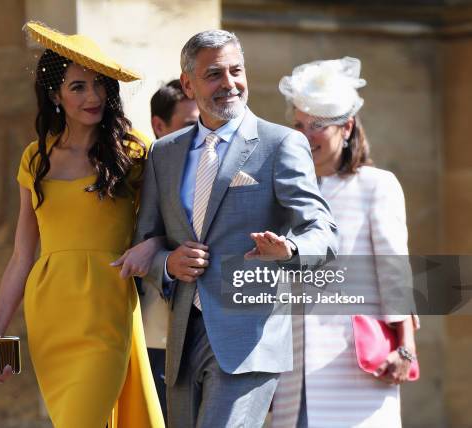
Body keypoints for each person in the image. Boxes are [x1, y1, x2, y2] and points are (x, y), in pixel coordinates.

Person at [134, 30, 338, 427]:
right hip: (180, 339)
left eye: (236, 71)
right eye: (214, 74)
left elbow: (323, 229)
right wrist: (167, 264)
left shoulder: (281, 144)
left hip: (249, 337)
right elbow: (147, 239)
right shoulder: (164, 153)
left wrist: (289, 250)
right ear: (188, 84)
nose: (229, 83)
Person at [0, 21, 164, 428]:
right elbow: (22, 255)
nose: (93, 95)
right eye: (78, 86)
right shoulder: (35, 157)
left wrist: (152, 247)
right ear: (55, 95)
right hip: (51, 312)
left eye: (99, 84)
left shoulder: (133, 150)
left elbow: (163, 225)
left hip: (108, 304)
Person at [271, 56, 418, 428]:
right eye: (299, 125)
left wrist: (406, 348)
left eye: (318, 125)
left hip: (356, 366)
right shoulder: (284, 193)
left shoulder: (376, 185)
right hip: (292, 372)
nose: (305, 136)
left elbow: (394, 270)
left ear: (347, 126)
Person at [142, 79, 200, 420]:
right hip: (156, 340)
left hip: (211, 343)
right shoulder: (136, 175)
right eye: (190, 125)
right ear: (159, 126)